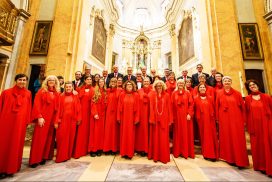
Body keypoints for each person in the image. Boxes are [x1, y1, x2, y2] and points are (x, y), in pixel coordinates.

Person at [0, 74, 32, 178]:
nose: (22, 82)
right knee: (3, 145)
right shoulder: (6, 93)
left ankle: (12, 168)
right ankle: (1, 168)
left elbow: (28, 109)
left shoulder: (28, 94)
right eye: (20, 79)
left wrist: (27, 122)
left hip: (20, 125)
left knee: (16, 144)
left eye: (24, 80)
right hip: (5, 123)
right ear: (16, 80)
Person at [216, 76, 249, 168]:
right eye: (225, 81)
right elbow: (217, 106)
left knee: (238, 139)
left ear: (231, 82)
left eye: (228, 81)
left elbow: (243, 108)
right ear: (222, 83)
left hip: (236, 119)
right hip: (224, 119)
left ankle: (240, 160)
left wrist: (244, 120)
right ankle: (229, 158)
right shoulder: (219, 93)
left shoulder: (237, 93)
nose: (226, 82)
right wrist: (217, 119)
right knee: (227, 138)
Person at [29, 75, 60, 168]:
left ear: (56, 82)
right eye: (49, 80)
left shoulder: (57, 93)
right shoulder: (41, 91)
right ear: (46, 81)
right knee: (39, 139)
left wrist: (56, 120)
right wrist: (39, 117)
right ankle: (34, 159)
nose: (51, 82)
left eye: (53, 80)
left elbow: (58, 108)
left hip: (52, 119)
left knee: (48, 139)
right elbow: (36, 104)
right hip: (43, 118)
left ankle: (43, 157)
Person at [244, 79, 272, 176]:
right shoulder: (247, 99)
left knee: (268, 145)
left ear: (258, 85)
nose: (252, 86)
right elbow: (246, 113)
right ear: (249, 88)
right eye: (250, 86)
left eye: (254, 84)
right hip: (255, 127)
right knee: (258, 146)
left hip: (267, 125)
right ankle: (261, 166)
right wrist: (248, 126)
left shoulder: (267, 97)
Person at [55, 82, 81, 163]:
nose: (68, 88)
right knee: (62, 137)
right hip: (63, 120)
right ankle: (61, 156)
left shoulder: (75, 96)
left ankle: (67, 155)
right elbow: (58, 109)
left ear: (72, 87)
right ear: (65, 87)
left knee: (70, 137)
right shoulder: (61, 96)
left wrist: (79, 119)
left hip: (72, 120)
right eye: (67, 87)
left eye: (70, 87)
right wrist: (57, 120)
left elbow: (78, 107)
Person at [148, 80, 173, 163]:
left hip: (164, 119)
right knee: (155, 137)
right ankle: (155, 156)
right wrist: (151, 118)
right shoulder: (152, 95)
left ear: (163, 86)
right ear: (155, 87)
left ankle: (163, 157)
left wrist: (170, 119)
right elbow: (151, 107)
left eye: (160, 85)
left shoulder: (167, 95)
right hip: (154, 119)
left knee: (163, 138)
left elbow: (169, 108)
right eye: (157, 86)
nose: (159, 87)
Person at [194, 84, 218, 161]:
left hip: (211, 120)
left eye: (203, 87)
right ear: (198, 89)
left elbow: (215, 108)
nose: (202, 88)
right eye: (200, 87)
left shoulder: (210, 98)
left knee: (212, 136)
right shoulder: (195, 98)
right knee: (204, 136)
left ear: (206, 88)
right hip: (201, 120)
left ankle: (214, 155)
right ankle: (206, 154)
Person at [171, 79, 194, 159]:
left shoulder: (188, 93)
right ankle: (178, 151)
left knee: (186, 133)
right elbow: (171, 105)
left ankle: (186, 152)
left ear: (184, 84)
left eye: (182, 83)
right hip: (177, 117)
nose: (180, 84)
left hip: (186, 117)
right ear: (177, 84)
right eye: (179, 83)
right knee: (178, 133)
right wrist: (172, 117)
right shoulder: (174, 93)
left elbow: (191, 104)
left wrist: (189, 114)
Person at [117, 81, 140, 159]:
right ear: (125, 86)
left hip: (132, 118)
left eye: (130, 85)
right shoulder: (122, 94)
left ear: (133, 86)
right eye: (128, 84)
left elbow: (138, 108)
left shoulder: (136, 95)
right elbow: (119, 107)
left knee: (131, 135)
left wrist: (137, 118)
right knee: (123, 135)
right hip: (124, 118)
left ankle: (130, 153)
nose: (129, 86)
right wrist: (118, 117)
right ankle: (123, 153)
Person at [73, 75, 94, 159]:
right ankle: (78, 150)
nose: (89, 80)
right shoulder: (79, 89)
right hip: (81, 112)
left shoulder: (93, 89)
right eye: (87, 79)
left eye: (90, 79)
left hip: (89, 114)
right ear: (84, 80)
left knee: (87, 132)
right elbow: (76, 100)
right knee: (80, 132)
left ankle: (86, 149)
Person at [89, 78, 107, 157]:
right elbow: (93, 103)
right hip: (96, 114)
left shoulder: (106, 91)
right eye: (100, 82)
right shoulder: (95, 91)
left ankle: (99, 148)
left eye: (102, 81)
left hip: (103, 115)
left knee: (100, 133)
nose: (101, 83)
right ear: (98, 83)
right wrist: (95, 113)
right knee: (94, 132)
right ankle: (93, 149)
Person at [103, 78, 122, 155]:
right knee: (108, 130)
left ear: (117, 83)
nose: (113, 83)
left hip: (115, 113)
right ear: (110, 82)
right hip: (108, 113)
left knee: (114, 131)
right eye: (112, 81)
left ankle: (114, 149)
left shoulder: (120, 91)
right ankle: (107, 148)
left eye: (115, 81)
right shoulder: (107, 91)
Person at [135, 77, 152, 156]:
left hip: (150, 114)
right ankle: (141, 149)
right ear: (142, 82)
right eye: (144, 81)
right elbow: (136, 104)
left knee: (149, 131)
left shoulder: (153, 92)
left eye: (147, 81)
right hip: (141, 115)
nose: (146, 82)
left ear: (150, 82)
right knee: (141, 132)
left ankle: (149, 148)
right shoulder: (139, 91)